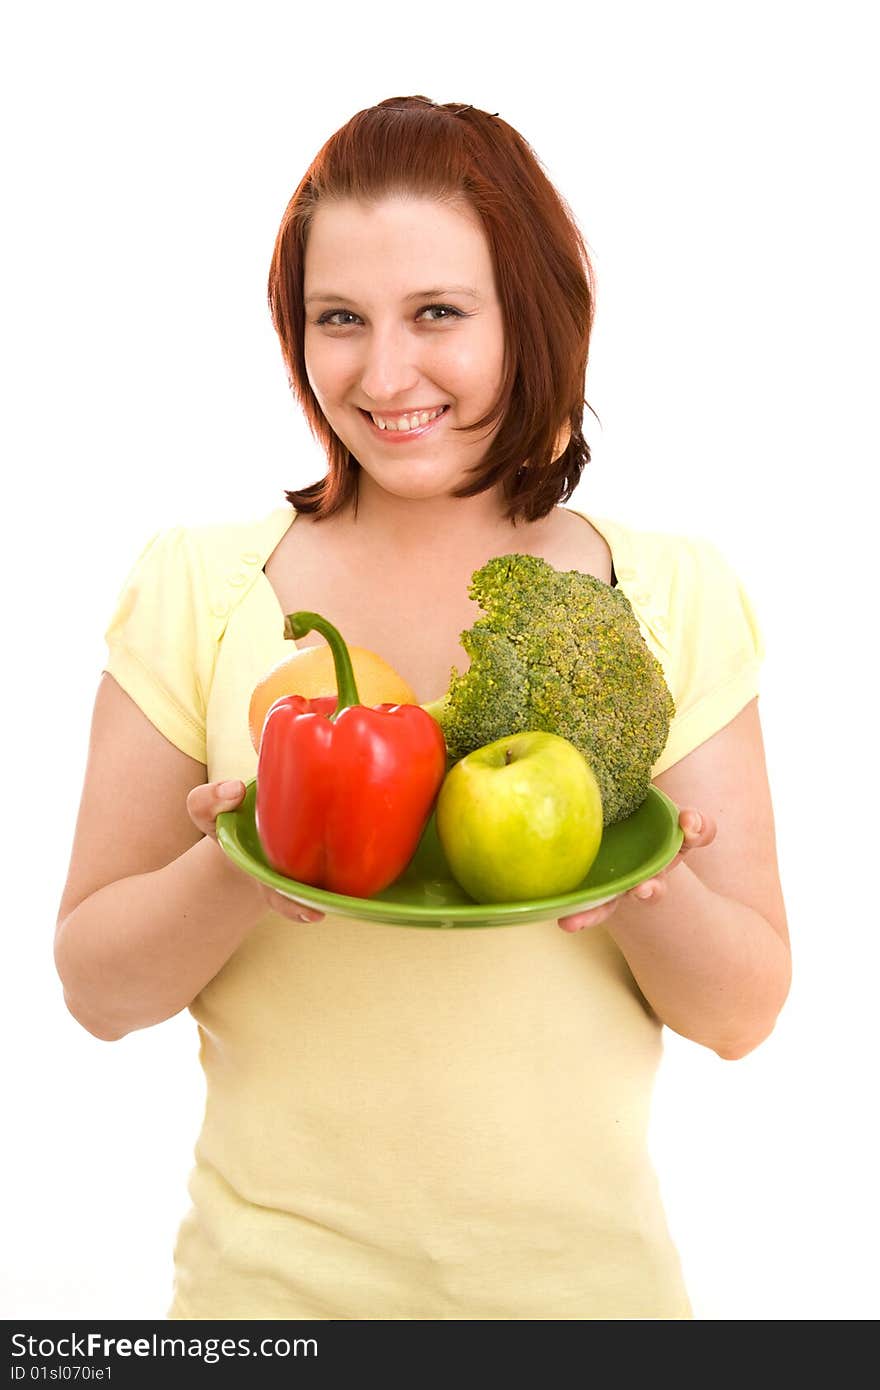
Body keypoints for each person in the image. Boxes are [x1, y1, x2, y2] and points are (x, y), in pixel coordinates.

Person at [54, 95, 790, 1321]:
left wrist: (641, 884)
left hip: (590, 1309)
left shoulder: (664, 591)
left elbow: (745, 1013)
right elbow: (96, 989)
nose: (383, 373)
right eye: (338, 319)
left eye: (438, 313)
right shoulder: (200, 584)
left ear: (532, 316)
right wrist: (241, 857)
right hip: (264, 1310)